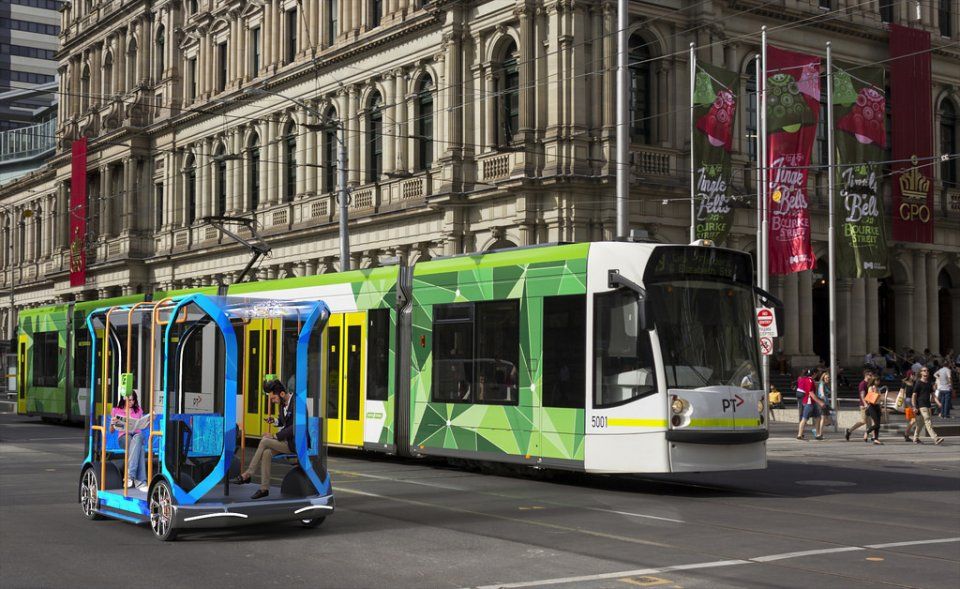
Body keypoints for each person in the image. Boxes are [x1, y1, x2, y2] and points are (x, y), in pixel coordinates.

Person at [233, 379, 298, 499]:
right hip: (286, 441)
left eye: (273, 399)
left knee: (265, 440)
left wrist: (274, 436)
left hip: (296, 444)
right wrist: (275, 421)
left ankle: (248, 474)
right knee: (267, 453)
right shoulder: (283, 404)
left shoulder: (297, 403)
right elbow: (284, 422)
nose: (273, 402)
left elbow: (295, 427)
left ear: (282, 394)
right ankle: (264, 489)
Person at [110, 390, 148, 491]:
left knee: (138, 437)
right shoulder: (116, 410)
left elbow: (142, 426)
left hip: (136, 436)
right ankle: (140, 483)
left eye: (132, 400)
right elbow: (111, 431)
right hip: (123, 437)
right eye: (128, 400)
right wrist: (112, 423)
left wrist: (149, 421)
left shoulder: (138, 410)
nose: (130, 402)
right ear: (123, 400)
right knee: (140, 447)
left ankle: (130, 476)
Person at [911, 367, 944, 445]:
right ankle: (936, 438)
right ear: (921, 373)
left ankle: (915, 438)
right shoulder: (918, 383)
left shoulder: (929, 383)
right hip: (921, 405)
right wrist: (914, 406)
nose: (926, 372)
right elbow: (914, 395)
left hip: (928, 405)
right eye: (924, 371)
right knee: (928, 421)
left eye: (927, 371)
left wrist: (938, 403)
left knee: (920, 423)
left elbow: (933, 395)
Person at [846, 369, 875, 442]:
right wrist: (865, 404)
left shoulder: (869, 384)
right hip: (864, 405)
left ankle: (868, 436)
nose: (871, 377)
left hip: (869, 404)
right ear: (866, 375)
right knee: (863, 421)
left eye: (872, 375)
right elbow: (862, 395)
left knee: (869, 422)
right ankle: (849, 431)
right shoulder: (862, 384)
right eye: (870, 375)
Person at [796, 370, 822, 440]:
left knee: (818, 417)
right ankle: (799, 434)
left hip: (811, 402)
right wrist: (820, 402)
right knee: (805, 418)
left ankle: (817, 434)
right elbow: (811, 392)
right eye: (816, 374)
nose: (817, 376)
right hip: (809, 401)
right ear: (814, 374)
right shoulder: (810, 381)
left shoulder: (803, 379)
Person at [864, 376, 883, 445]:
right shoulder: (871, 388)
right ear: (874, 381)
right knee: (876, 423)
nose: (878, 382)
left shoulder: (878, 388)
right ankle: (867, 431)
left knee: (878, 424)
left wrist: (880, 408)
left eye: (879, 380)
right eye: (877, 380)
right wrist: (875, 391)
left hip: (877, 406)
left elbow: (879, 398)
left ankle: (876, 439)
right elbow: (871, 398)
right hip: (871, 406)